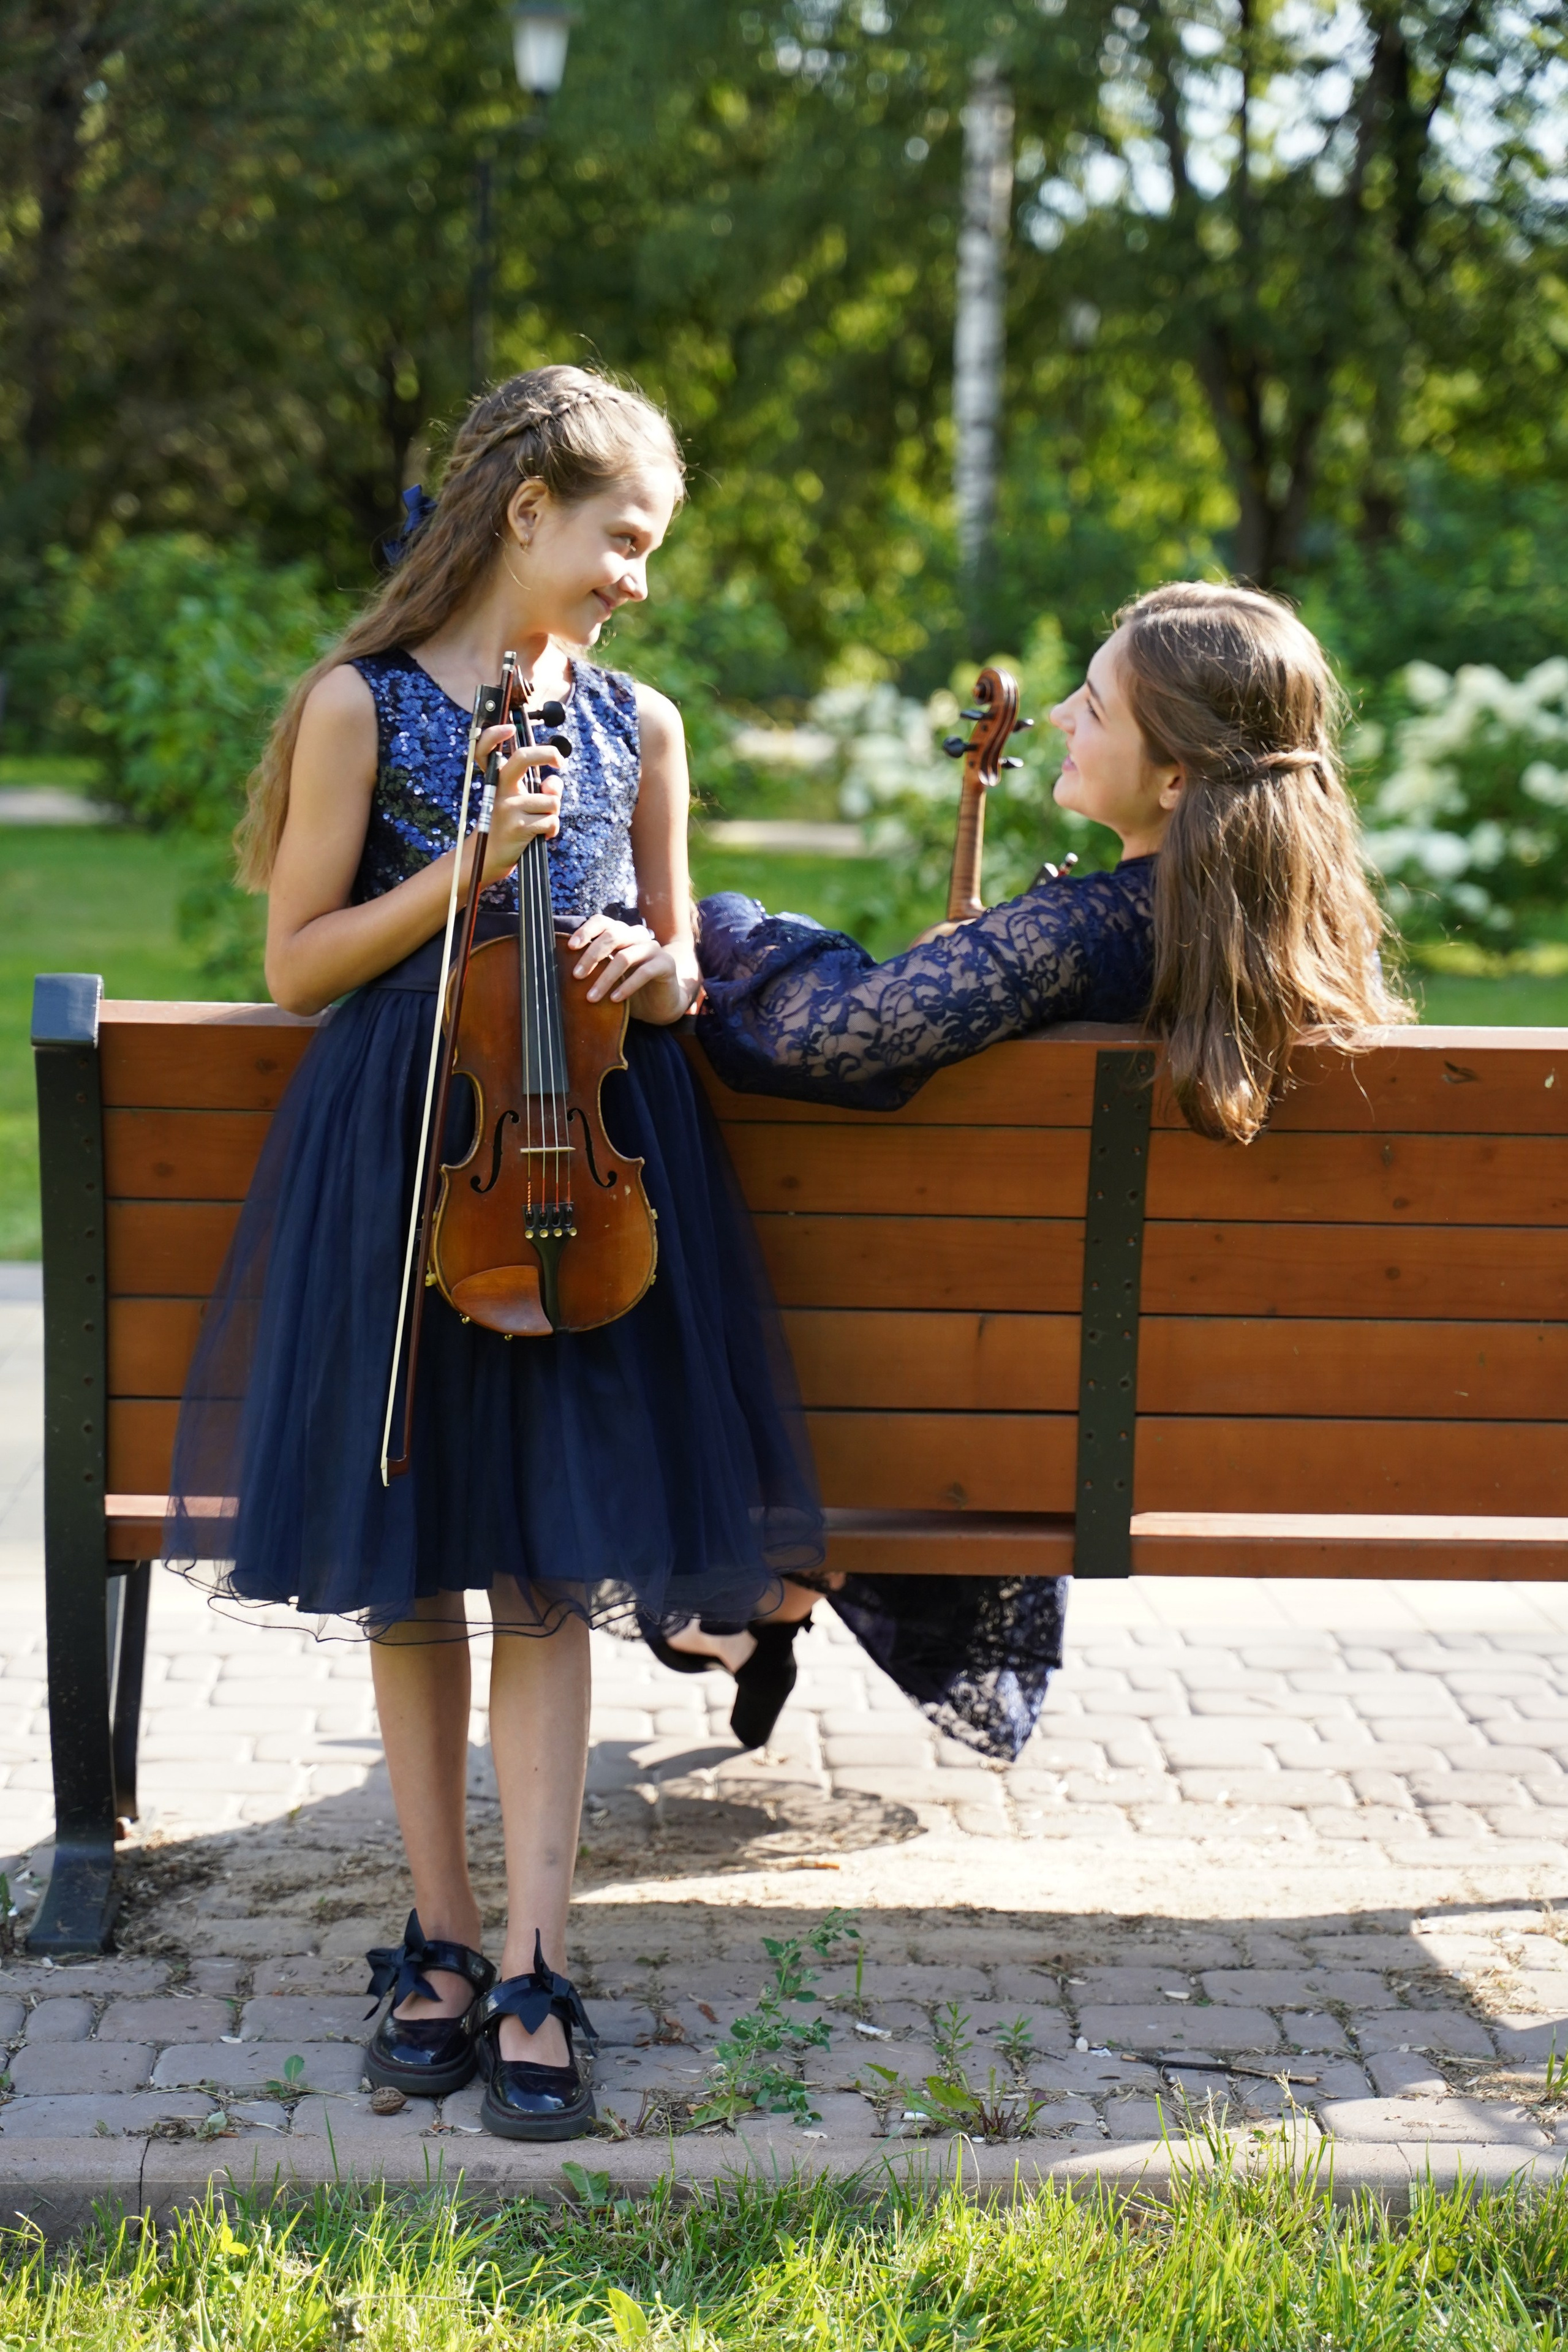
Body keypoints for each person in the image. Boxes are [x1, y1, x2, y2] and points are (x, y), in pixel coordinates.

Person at [162, 365, 821, 2144]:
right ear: (528, 509)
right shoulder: (357, 708)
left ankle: (538, 1955)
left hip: (580, 1179)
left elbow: (682, 956)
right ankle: (435, 1939)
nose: (637, 578)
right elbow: (300, 963)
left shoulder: (640, 724)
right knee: (416, 1563)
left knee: (547, 1568)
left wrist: (652, 969)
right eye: (624, 538)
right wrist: (467, 872)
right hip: (412, 1171)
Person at [663, 581, 1408, 1760]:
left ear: (1176, 778)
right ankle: (768, 1603)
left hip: (992, 1400)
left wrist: (708, 917)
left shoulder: (1089, 934)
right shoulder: (1297, 942)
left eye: (1095, 704)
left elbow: (813, 1037)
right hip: (1147, 1404)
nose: (1060, 713)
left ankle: (767, 1590)